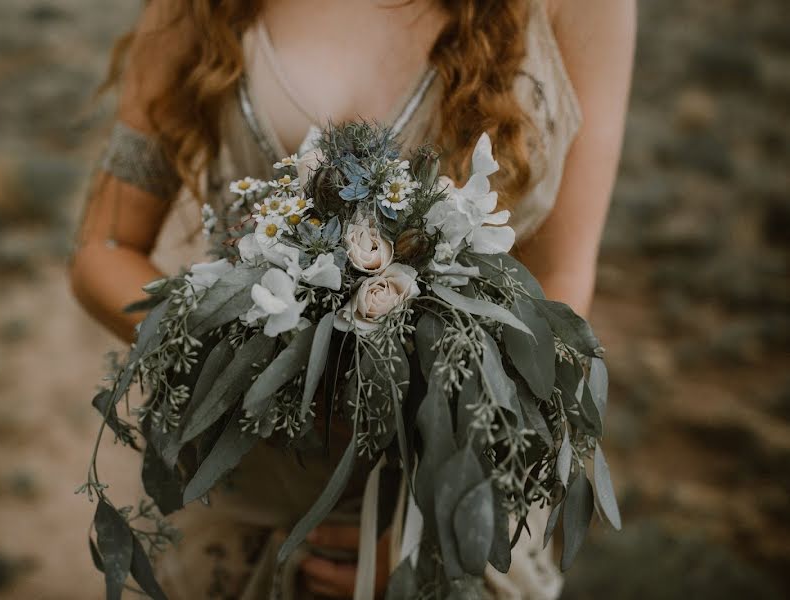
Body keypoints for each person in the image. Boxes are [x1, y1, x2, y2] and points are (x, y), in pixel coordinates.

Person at [70, 0, 635, 598]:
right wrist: (235, 357)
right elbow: (102, 249)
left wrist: (437, 527)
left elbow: (561, 284)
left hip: (444, 484)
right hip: (248, 481)